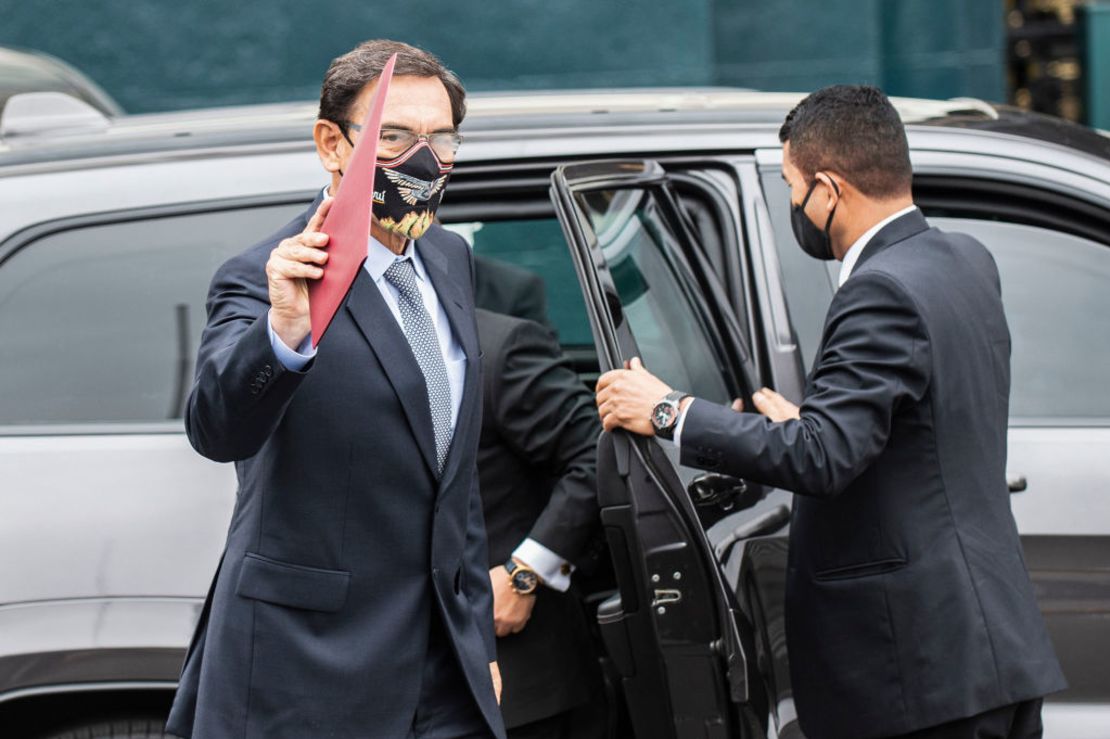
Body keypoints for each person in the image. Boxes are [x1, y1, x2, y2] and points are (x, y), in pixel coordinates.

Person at [594, 85, 1065, 739]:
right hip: (991, 648)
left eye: (792, 186)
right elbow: (918, 424)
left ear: (829, 188)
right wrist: (804, 421)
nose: (793, 203)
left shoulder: (880, 289)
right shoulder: (962, 261)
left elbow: (825, 455)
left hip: (921, 670)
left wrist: (671, 410)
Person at [166, 40, 504, 739]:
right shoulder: (267, 273)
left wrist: (476, 640)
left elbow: (454, 479)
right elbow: (216, 428)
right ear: (332, 143)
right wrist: (285, 328)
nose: (425, 159)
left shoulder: (448, 256)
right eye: (397, 136)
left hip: (445, 671)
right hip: (310, 672)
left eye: (442, 138)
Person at [474, 306, 606, 739]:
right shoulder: (308, 350)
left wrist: (523, 574)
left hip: (523, 685)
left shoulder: (497, 347)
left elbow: (594, 456)